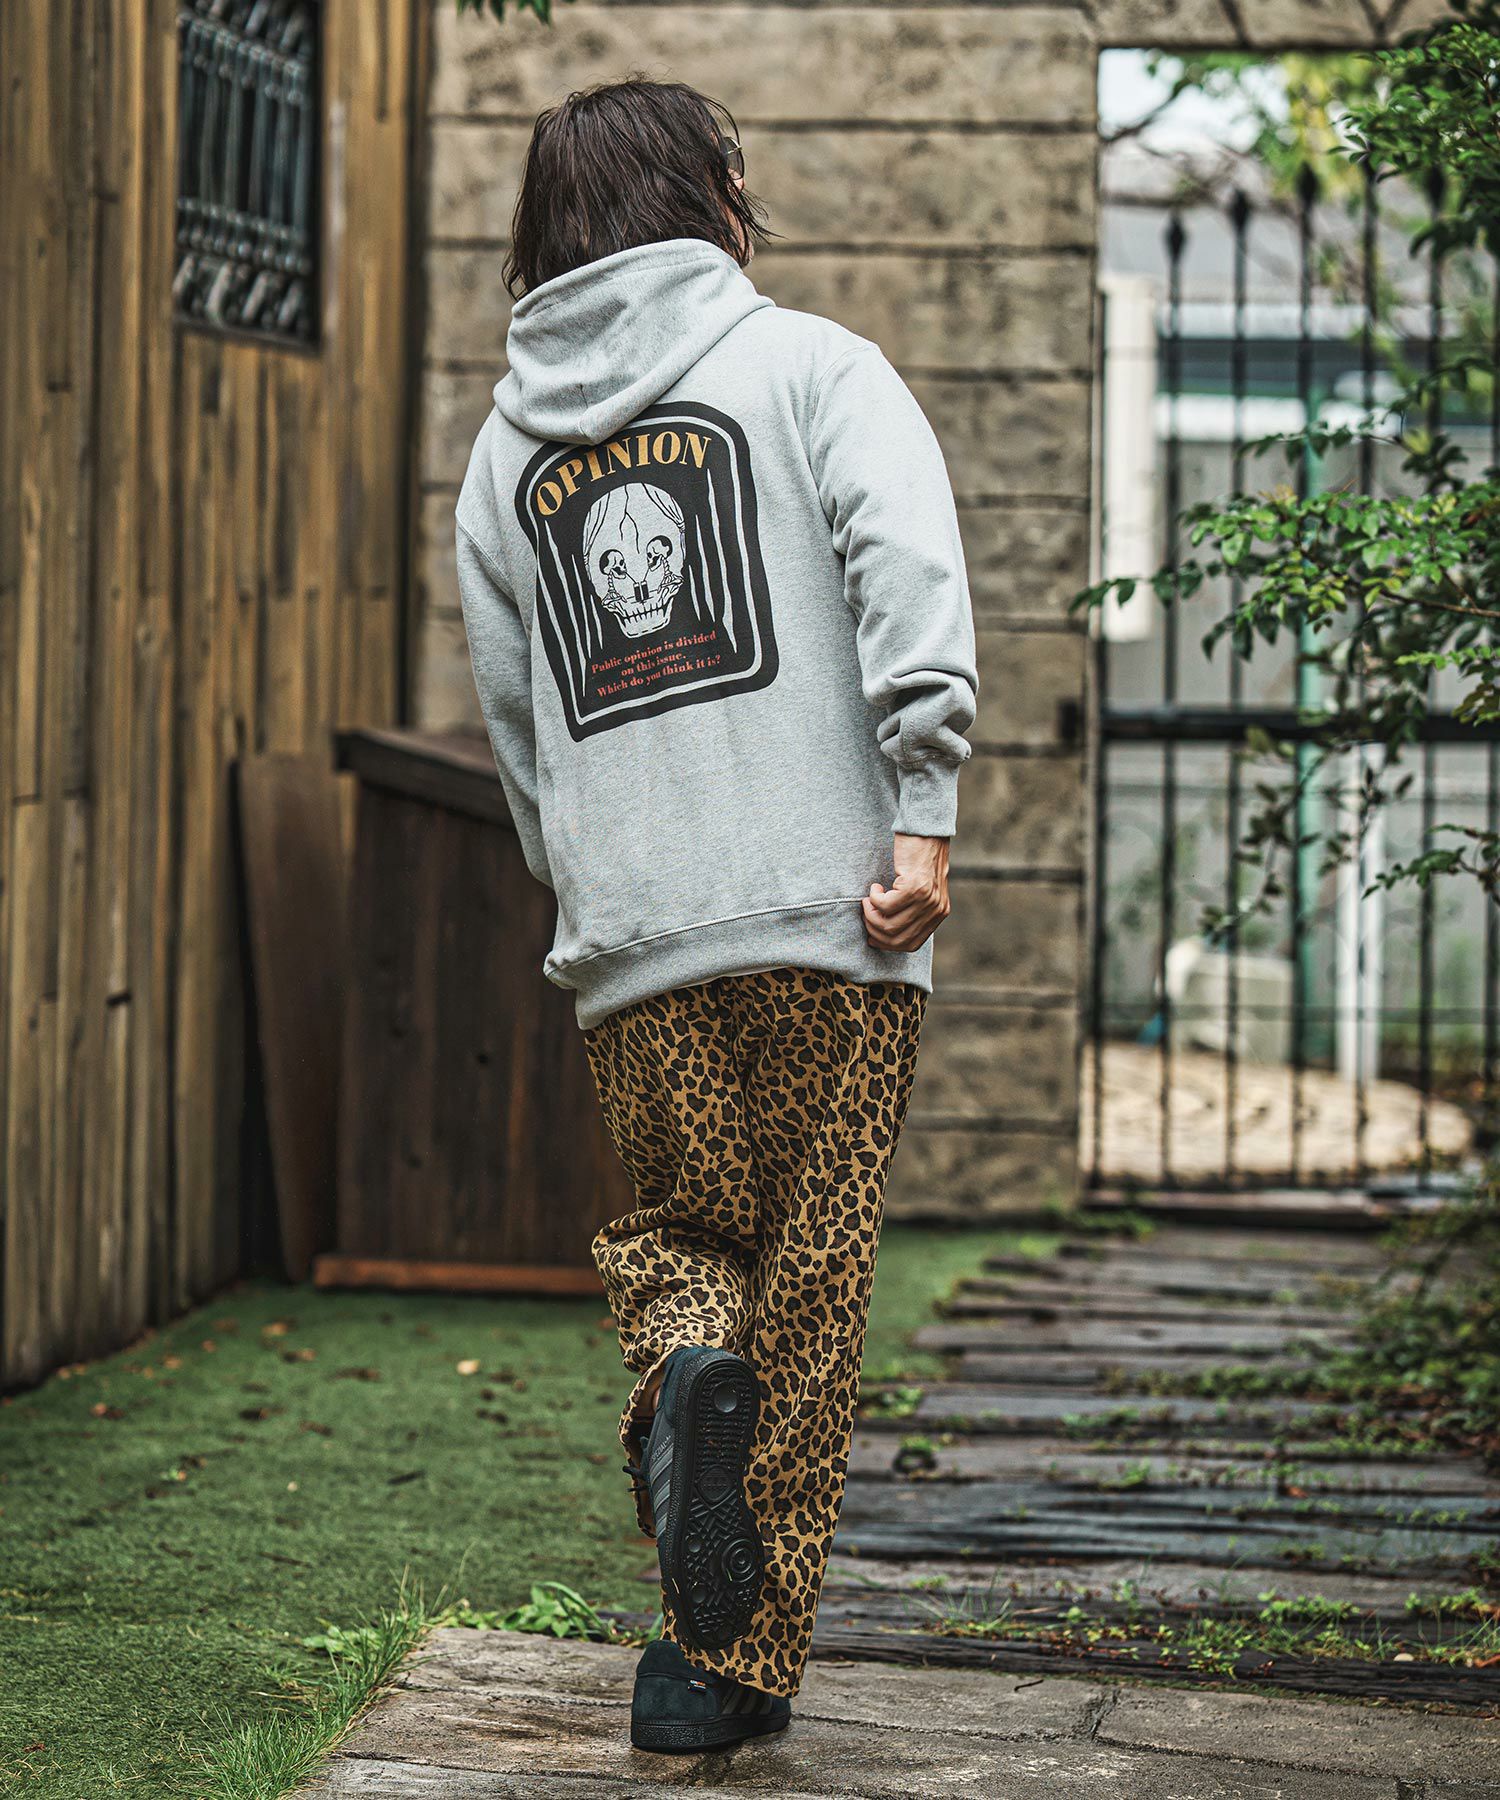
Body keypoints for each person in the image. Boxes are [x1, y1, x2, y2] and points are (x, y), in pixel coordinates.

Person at [455, 75, 977, 1754]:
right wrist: (923, 809)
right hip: (837, 920)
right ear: (710, 197)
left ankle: (685, 1381)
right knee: (807, 1285)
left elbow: (518, 718)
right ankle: (717, 1677)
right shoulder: (814, 367)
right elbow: (907, 568)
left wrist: (587, 874)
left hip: (637, 944)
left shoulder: (503, 456)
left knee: (688, 1239)